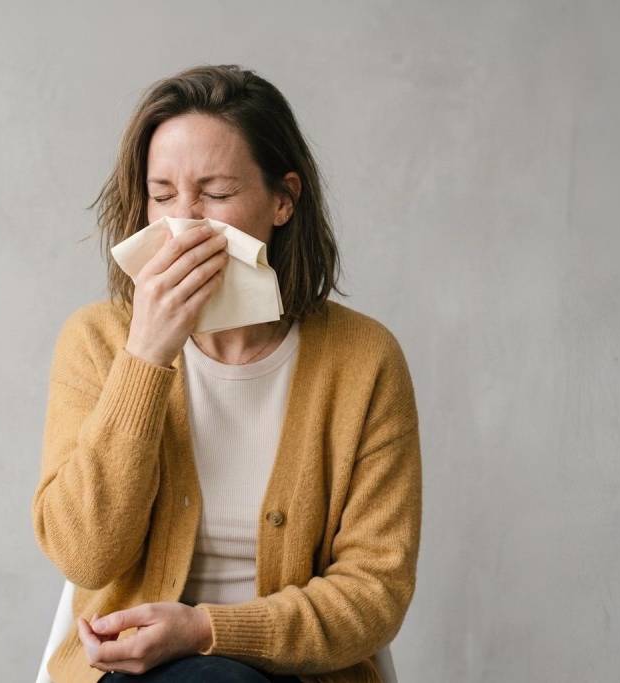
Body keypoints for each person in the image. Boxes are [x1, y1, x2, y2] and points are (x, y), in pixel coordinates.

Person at [32, 64, 422, 683]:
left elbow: (376, 591)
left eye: (213, 194)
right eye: (162, 195)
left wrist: (208, 631)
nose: (183, 223)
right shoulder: (98, 342)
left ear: (282, 200)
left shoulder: (364, 360)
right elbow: (84, 554)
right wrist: (145, 358)